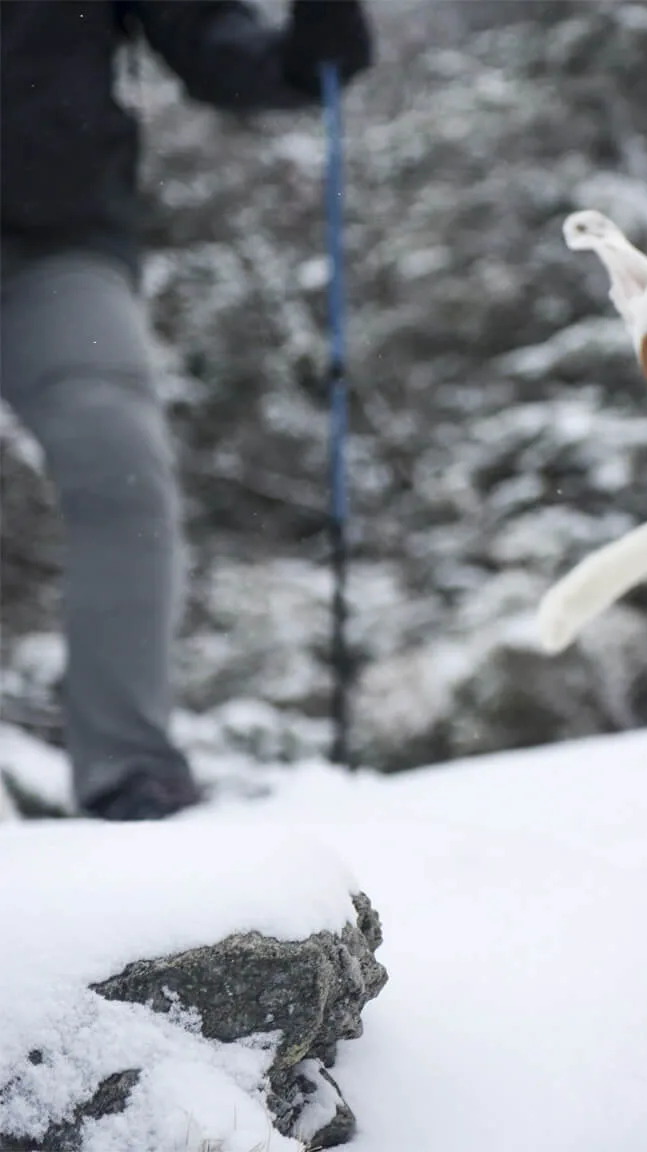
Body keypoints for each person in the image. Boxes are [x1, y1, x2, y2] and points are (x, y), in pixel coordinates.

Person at [0, 1, 373, 820]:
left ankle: (130, 776)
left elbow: (219, 49)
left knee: (122, 474)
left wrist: (312, 48)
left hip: (53, 250)